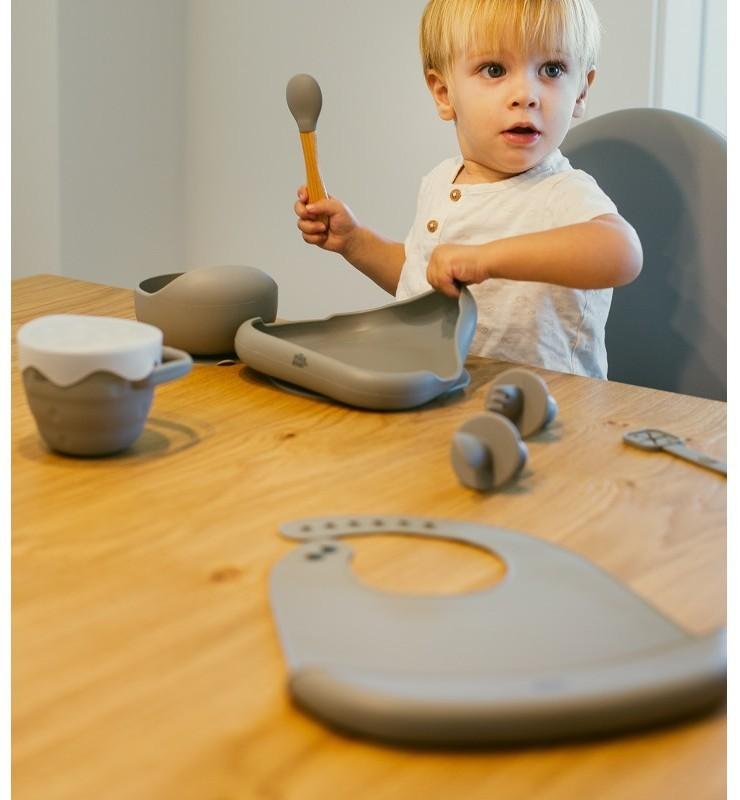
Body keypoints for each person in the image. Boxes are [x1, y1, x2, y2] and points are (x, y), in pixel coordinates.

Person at [293, 0, 642, 378]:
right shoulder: (440, 181)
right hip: (447, 391)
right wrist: (355, 242)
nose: (526, 94)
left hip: (549, 402)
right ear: (444, 93)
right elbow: (424, 283)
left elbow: (622, 252)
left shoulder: (561, 191)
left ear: (581, 93)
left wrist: (485, 259)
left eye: (552, 70)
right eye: (495, 70)